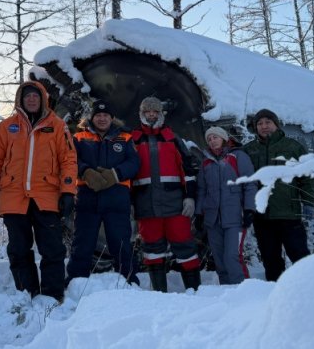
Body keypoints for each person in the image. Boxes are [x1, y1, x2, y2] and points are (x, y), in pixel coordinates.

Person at [0, 81, 77, 301]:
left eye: (36, 96)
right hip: (13, 197)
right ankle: (27, 292)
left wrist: (68, 191)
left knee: (52, 249)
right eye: (27, 97)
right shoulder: (7, 127)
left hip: (47, 196)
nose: (32, 100)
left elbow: (69, 159)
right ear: (20, 100)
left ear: (43, 99)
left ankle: (53, 295)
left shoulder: (57, 126)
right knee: (18, 249)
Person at [130, 96, 201, 292]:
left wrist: (190, 197)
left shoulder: (172, 138)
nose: (151, 115)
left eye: (155, 112)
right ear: (141, 114)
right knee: (152, 251)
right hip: (146, 206)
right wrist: (130, 202)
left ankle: (195, 292)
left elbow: (188, 170)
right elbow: (126, 175)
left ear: (161, 114)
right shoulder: (134, 139)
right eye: (147, 112)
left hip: (175, 205)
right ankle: (159, 295)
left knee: (185, 248)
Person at [66, 100, 140, 285]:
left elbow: (134, 163)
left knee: (121, 242)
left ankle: (129, 280)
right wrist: (86, 172)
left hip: (116, 198)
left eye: (105, 115)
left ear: (111, 118)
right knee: (82, 242)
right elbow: (70, 159)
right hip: (87, 199)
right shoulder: (79, 137)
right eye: (98, 115)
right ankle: (76, 281)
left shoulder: (125, 138)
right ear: (92, 118)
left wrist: (115, 174)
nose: (102, 118)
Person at [243, 108, 314, 282]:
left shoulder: (292, 147)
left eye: (268, 122)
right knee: (271, 260)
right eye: (259, 123)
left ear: (276, 124)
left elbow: (307, 176)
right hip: (262, 216)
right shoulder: (249, 150)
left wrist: (308, 202)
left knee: (300, 256)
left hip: (289, 213)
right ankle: (277, 294)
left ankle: (310, 288)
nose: (264, 126)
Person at [196, 126, 258, 285]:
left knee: (232, 256)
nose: (212, 141)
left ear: (224, 138)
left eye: (215, 137)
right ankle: (226, 293)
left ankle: (243, 291)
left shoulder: (237, 156)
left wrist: (249, 209)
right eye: (209, 139)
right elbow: (202, 190)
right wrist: (198, 213)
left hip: (235, 218)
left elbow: (250, 184)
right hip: (213, 219)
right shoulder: (206, 163)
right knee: (219, 259)